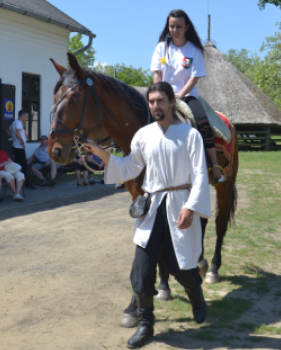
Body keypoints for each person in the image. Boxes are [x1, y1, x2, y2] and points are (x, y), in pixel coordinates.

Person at [84, 82, 211, 348]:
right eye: (151, 101)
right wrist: (101, 154)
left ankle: (196, 294)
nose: (155, 106)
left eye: (160, 101)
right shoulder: (143, 135)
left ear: (171, 102)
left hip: (180, 206)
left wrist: (191, 207)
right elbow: (130, 166)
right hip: (152, 208)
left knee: (182, 268)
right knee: (141, 271)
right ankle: (146, 325)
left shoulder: (190, 136)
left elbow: (200, 175)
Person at [150, 9, 226, 184]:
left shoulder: (194, 50)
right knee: (139, 117)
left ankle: (214, 166)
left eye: (179, 26)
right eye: (172, 26)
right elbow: (157, 75)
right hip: (162, 95)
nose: (175, 29)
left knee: (201, 120)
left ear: (187, 27)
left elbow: (194, 78)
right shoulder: (162, 48)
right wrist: (158, 94)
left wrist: (179, 96)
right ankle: (131, 167)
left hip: (187, 95)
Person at [7, 110, 35, 189]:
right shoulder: (19, 123)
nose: (26, 118)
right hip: (19, 147)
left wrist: (14, 138)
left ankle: (19, 181)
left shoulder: (14, 123)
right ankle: (26, 183)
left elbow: (8, 131)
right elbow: (17, 133)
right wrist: (22, 141)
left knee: (18, 165)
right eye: (26, 116)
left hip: (16, 146)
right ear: (23, 115)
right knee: (23, 165)